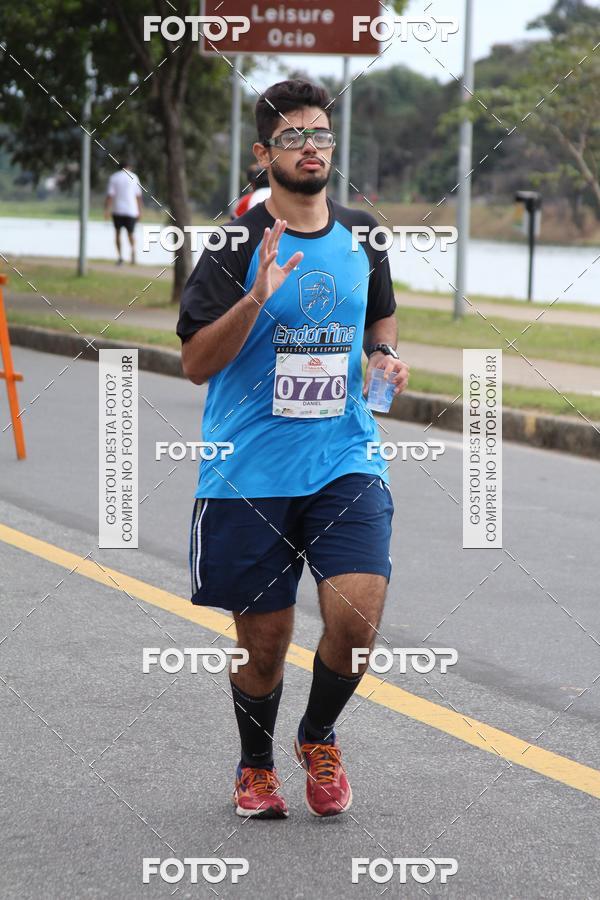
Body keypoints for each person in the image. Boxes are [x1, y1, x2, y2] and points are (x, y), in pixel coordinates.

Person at [177, 79, 409, 819]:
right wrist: (256, 294)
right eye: (293, 137)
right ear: (263, 152)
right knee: (266, 641)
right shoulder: (234, 244)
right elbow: (195, 363)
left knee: (358, 616)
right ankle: (254, 765)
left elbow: (382, 321)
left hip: (345, 455)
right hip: (248, 472)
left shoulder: (364, 235)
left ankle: (318, 734)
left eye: (321, 135)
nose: (311, 147)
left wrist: (383, 361)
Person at [104, 161, 143, 265]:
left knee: (117, 233)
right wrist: (140, 211)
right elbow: (138, 196)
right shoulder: (134, 177)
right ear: (129, 166)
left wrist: (106, 210)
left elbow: (110, 195)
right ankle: (133, 251)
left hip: (117, 210)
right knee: (131, 233)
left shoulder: (114, 177)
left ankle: (120, 257)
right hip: (131, 210)